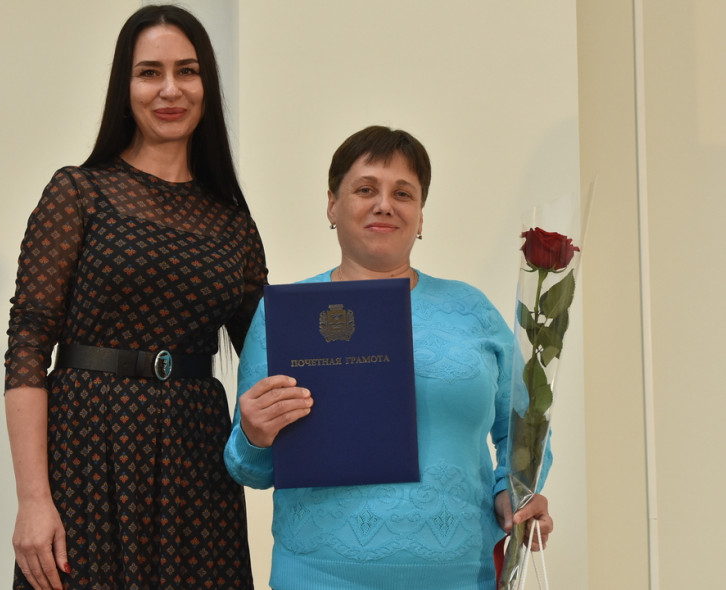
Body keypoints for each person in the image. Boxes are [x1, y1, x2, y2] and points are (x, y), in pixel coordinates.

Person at [224, 126, 553, 590]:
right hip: (319, 578)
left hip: (461, 576)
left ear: (420, 217)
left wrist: (513, 494)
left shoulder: (472, 310)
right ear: (332, 205)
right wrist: (255, 436)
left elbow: (525, 429)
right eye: (365, 189)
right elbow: (250, 469)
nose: (384, 204)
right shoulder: (286, 315)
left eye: (403, 193)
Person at [4, 6, 265, 590]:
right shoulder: (78, 192)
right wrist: (33, 500)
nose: (170, 89)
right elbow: (27, 346)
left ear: (207, 85)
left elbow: (271, 352)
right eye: (150, 72)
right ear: (125, 88)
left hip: (196, 463)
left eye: (187, 71)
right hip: (87, 453)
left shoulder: (233, 222)